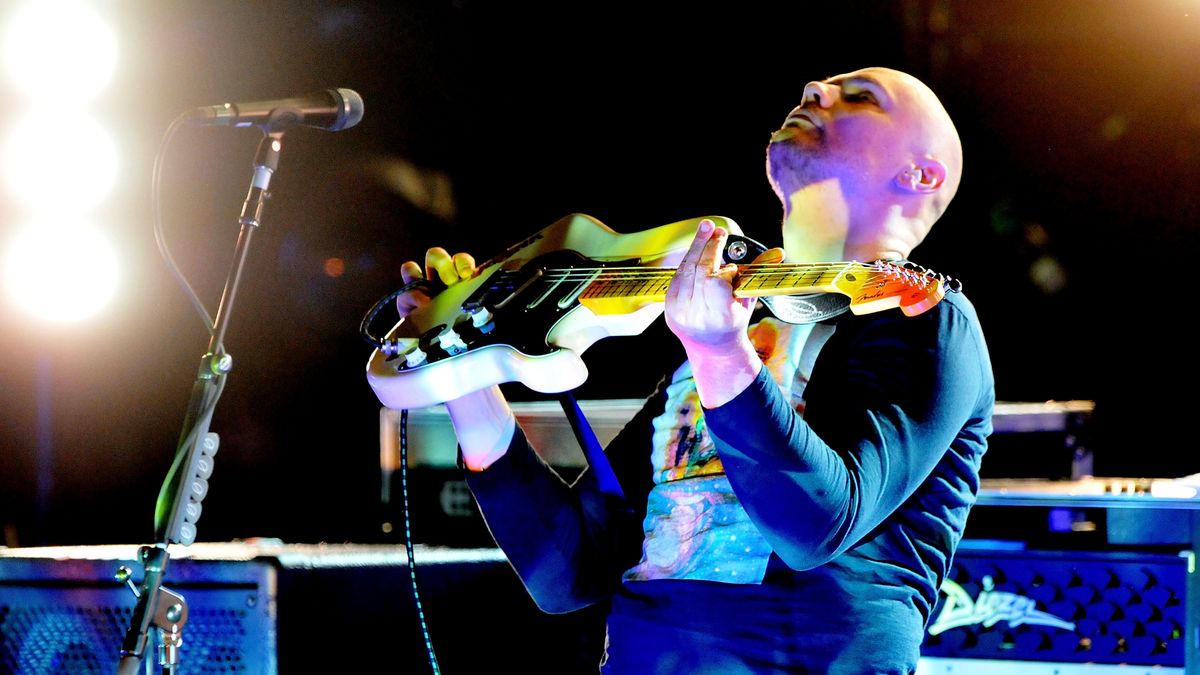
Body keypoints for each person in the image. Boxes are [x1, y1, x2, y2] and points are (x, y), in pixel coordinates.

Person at [396, 67, 994, 674]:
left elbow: (817, 525)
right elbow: (572, 569)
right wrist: (462, 376)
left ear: (922, 175)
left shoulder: (928, 320)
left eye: (860, 97)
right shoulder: (730, 325)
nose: (815, 89)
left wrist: (719, 353)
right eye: (818, 87)